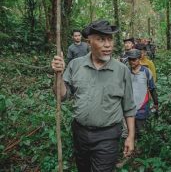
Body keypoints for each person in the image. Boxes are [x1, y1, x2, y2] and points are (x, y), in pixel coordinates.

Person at [51, 20, 136, 172]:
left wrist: (130, 136)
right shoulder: (76, 65)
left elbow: (129, 107)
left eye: (110, 39)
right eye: (101, 39)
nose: (108, 44)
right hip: (80, 133)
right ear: (89, 41)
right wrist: (58, 74)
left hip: (108, 135)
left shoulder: (122, 70)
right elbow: (62, 96)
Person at [127, 49, 158, 136]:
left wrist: (156, 103)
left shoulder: (146, 72)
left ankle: (142, 148)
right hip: (129, 107)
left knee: (142, 132)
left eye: (134, 59)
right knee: (130, 132)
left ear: (139, 59)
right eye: (130, 59)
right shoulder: (126, 72)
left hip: (142, 107)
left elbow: (152, 89)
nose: (131, 62)